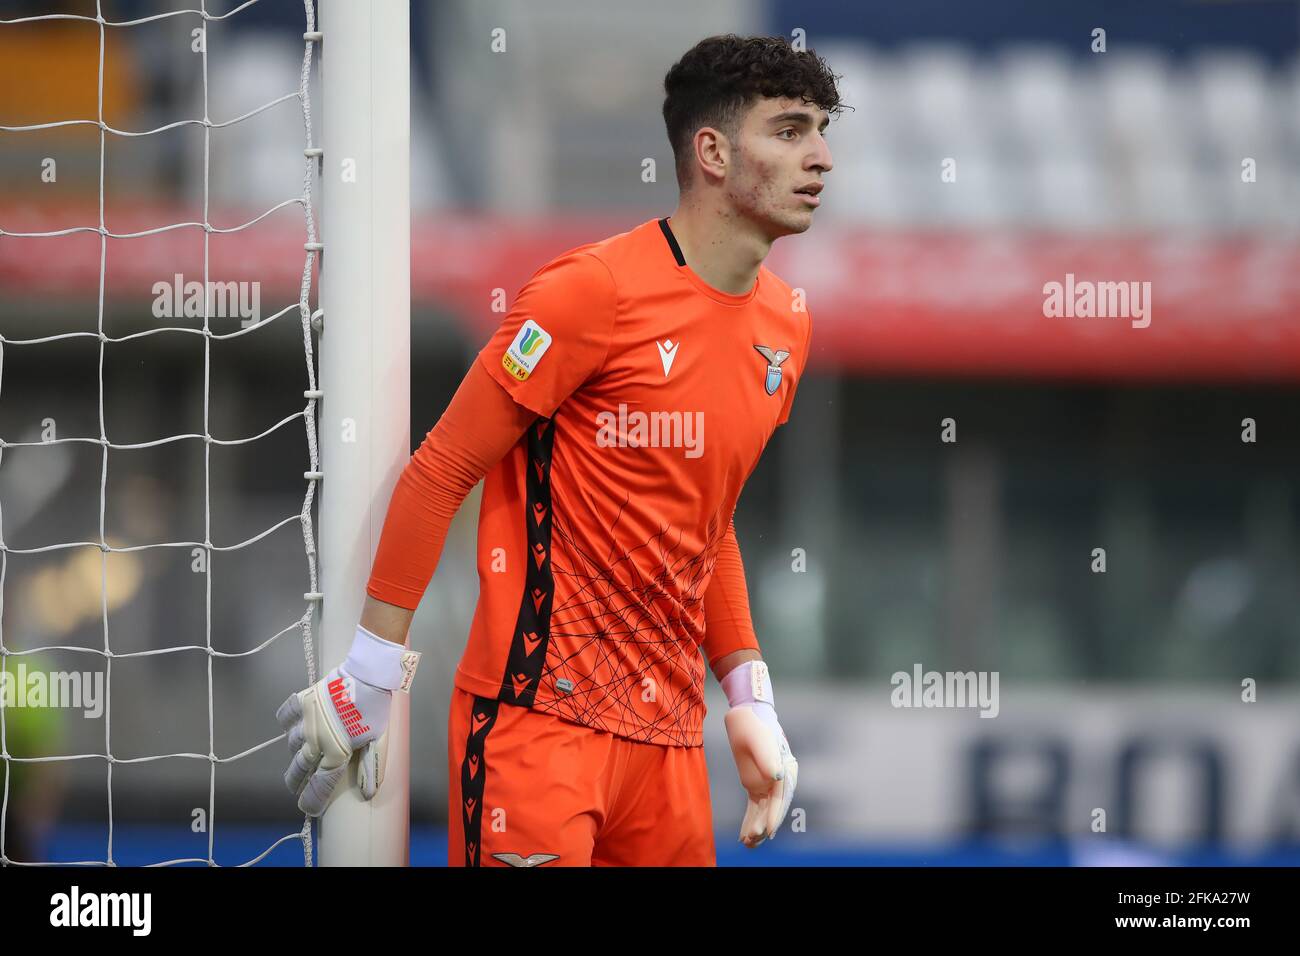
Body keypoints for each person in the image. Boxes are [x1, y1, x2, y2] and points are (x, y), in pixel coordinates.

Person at [278, 33, 842, 866]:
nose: (822, 158)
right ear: (713, 151)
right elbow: (441, 472)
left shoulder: (786, 326)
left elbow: (706, 520)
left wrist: (750, 694)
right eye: (791, 131)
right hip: (535, 727)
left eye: (823, 131)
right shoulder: (590, 292)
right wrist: (371, 670)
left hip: (671, 746)